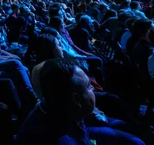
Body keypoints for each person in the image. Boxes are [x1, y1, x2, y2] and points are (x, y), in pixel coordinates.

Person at [16, 59, 144, 145]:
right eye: (89, 87)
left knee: (128, 131)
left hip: (82, 133)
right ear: (76, 99)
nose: (93, 89)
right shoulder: (60, 140)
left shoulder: (56, 107)